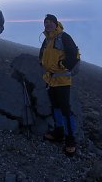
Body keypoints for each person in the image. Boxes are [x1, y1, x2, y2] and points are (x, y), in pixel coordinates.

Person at [39, 14, 79, 156]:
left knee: (65, 109)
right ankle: (58, 132)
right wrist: (41, 62)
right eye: (46, 22)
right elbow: (42, 53)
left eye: (50, 22)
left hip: (62, 81)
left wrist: (64, 64)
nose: (48, 24)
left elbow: (74, 54)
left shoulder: (64, 37)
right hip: (50, 79)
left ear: (56, 24)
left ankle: (70, 141)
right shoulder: (48, 39)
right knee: (55, 107)